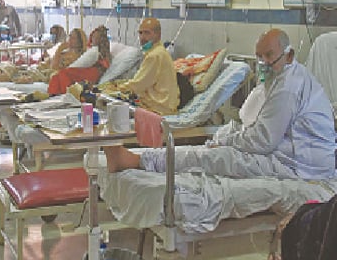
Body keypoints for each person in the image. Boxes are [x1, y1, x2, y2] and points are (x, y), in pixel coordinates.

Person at [104, 28, 336, 180]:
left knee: (220, 157)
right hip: (288, 152)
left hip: (302, 167)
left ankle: (137, 160)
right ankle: (142, 158)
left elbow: (262, 141)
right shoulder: (281, 78)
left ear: (289, 55)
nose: (263, 63)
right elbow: (255, 125)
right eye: (259, 56)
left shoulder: (288, 88)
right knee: (213, 149)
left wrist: (227, 140)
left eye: (268, 55)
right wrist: (225, 136)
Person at [106, 18, 179, 115]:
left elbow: (138, 85)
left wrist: (115, 88)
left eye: (147, 33)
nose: (142, 37)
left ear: (158, 34)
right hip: (162, 104)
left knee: (111, 100)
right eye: (140, 33)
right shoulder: (156, 52)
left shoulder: (155, 56)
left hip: (159, 107)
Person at [47, 25, 112, 95]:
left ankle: (64, 95)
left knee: (62, 74)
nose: (70, 39)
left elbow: (79, 65)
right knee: (57, 76)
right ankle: (53, 95)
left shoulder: (95, 52)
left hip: (89, 73)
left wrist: (59, 50)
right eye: (70, 37)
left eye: (73, 38)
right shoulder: (90, 51)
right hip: (79, 71)